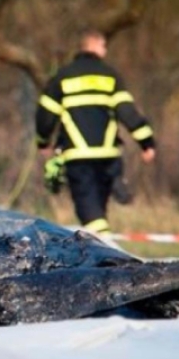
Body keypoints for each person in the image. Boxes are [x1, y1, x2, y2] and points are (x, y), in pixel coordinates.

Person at [35, 28, 156, 235]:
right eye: (103, 45)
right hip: (108, 157)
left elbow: (46, 115)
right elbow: (128, 112)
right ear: (94, 46)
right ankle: (117, 184)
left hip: (78, 157)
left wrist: (43, 142)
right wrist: (147, 143)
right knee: (99, 207)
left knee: (89, 211)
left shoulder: (64, 76)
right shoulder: (110, 76)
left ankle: (107, 246)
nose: (105, 49)